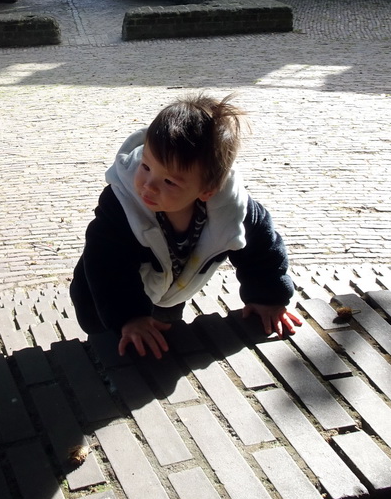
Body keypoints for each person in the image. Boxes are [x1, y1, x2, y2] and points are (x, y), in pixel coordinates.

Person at [70, 93, 302, 359]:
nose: (148, 185)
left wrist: (268, 297)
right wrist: (130, 318)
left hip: (172, 291)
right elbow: (106, 266)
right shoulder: (120, 206)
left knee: (165, 343)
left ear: (208, 190)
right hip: (107, 299)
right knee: (114, 352)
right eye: (146, 166)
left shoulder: (232, 210)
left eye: (169, 182)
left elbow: (263, 247)